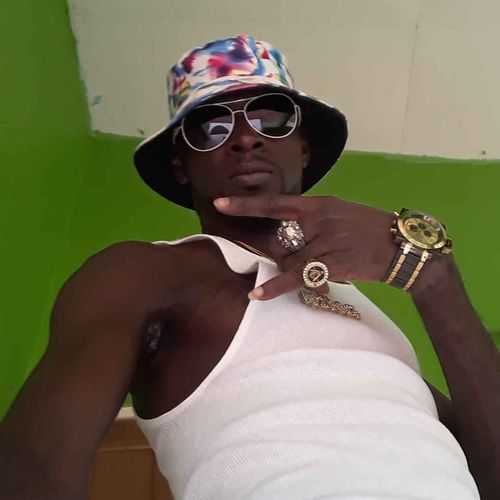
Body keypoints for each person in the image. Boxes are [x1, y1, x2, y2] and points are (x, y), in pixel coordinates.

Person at [0, 34, 499, 500]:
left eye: (270, 118)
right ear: (180, 166)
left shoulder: (371, 324)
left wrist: (431, 274)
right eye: (211, 127)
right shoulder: (144, 272)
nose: (244, 139)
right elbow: (33, 468)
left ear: (303, 148)